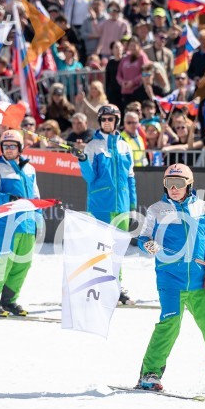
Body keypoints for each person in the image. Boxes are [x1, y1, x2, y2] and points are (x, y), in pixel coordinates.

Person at [135, 164, 205, 399]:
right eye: (169, 183)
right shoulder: (156, 209)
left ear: (189, 185)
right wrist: (147, 244)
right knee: (170, 325)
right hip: (170, 278)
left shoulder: (202, 208)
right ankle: (150, 374)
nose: (173, 188)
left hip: (200, 280)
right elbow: (143, 237)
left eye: (179, 184)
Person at [69, 104, 137, 305]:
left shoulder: (125, 146)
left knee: (118, 249)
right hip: (101, 206)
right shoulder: (93, 146)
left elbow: (131, 178)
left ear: (116, 121)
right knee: (102, 249)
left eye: (110, 119)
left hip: (122, 207)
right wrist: (82, 160)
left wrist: (133, 205)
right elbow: (89, 177)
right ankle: (99, 286)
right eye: (103, 119)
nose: (107, 123)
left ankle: (116, 284)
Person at [0, 130, 41, 317]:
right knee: (5, 262)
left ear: (20, 147)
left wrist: (38, 219)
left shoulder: (30, 169)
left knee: (23, 263)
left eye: (13, 146)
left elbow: (36, 197)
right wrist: (8, 198)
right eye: (5, 146)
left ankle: (9, 300)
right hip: (7, 224)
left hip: (27, 224)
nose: (9, 149)